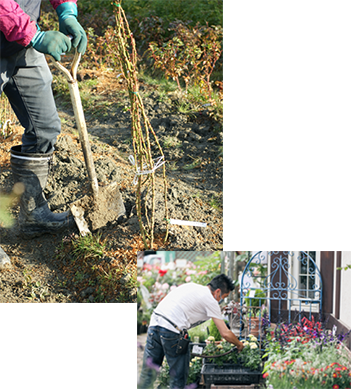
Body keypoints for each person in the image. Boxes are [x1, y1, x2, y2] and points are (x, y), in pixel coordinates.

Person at [0, 1, 87, 239]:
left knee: (45, 128)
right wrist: (34, 35)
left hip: (21, 45)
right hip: (21, 32)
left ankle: (33, 215)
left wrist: (67, 11)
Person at [138, 274, 244, 389]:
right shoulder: (210, 299)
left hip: (154, 324)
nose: (222, 300)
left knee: (147, 373)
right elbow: (225, 333)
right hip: (172, 329)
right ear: (217, 292)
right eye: (224, 296)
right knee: (178, 378)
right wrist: (239, 344)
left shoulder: (192, 287)